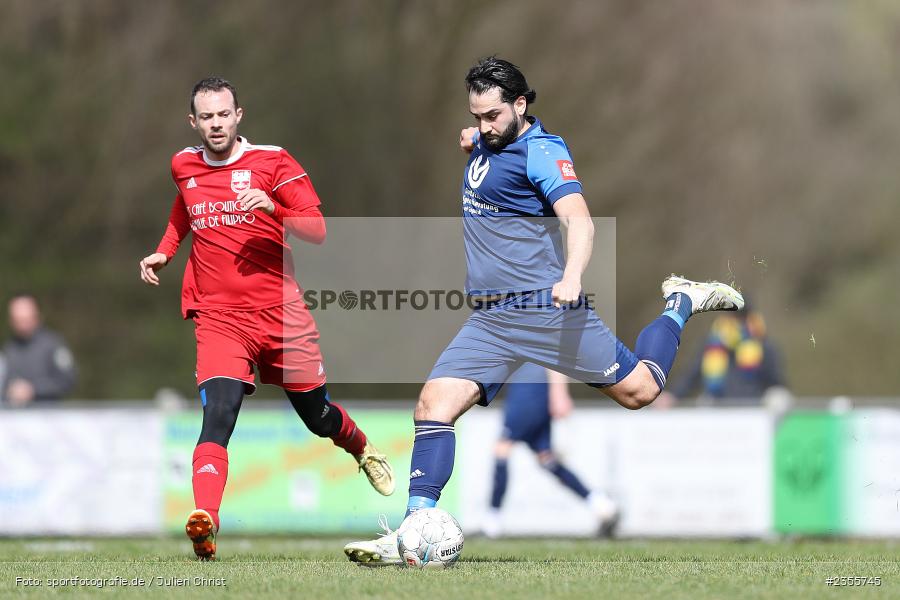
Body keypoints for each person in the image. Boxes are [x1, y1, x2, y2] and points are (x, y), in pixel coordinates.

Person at [344, 57, 743, 566]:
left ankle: (680, 301)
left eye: (493, 116)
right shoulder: (486, 143)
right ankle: (413, 531)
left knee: (641, 391)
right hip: (490, 319)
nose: (484, 126)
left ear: (520, 104)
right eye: (477, 115)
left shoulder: (544, 152)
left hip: (545, 310)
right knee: (432, 406)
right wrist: (475, 142)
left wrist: (572, 275)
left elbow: (580, 222)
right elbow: (488, 162)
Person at [139, 77, 395, 561]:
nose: (216, 124)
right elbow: (185, 207)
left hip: (281, 317)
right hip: (219, 318)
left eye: (223, 114)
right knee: (219, 414)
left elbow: (317, 230)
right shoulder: (183, 165)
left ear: (239, 116)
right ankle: (206, 522)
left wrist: (273, 208)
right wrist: (164, 251)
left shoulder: (273, 162)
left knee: (318, 417)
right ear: (194, 122)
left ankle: (361, 447)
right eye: (206, 117)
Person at [482, 363, 619, 538]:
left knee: (502, 448)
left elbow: (553, 354)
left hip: (529, 389)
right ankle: (600, 503)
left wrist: (559, 394)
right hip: (531, 389)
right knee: (546, 458)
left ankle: (492, 521)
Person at [663, 302, 786, 404]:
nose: (735, 323)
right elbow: (692, 375)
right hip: (718, 410)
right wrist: (673, 395)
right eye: (731, 317)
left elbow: (776, 382)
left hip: (753, 411)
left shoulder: (763, 346)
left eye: (740, 318)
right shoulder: (710, 344)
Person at [1, 294, 77, 407]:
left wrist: (33, 390)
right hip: (16, 419)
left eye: (25, 319)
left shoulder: (53, 344)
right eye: (18, 320)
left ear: (36, 316)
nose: (22, 325)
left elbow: (68, 380)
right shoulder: (8, 349)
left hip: (49, 419)